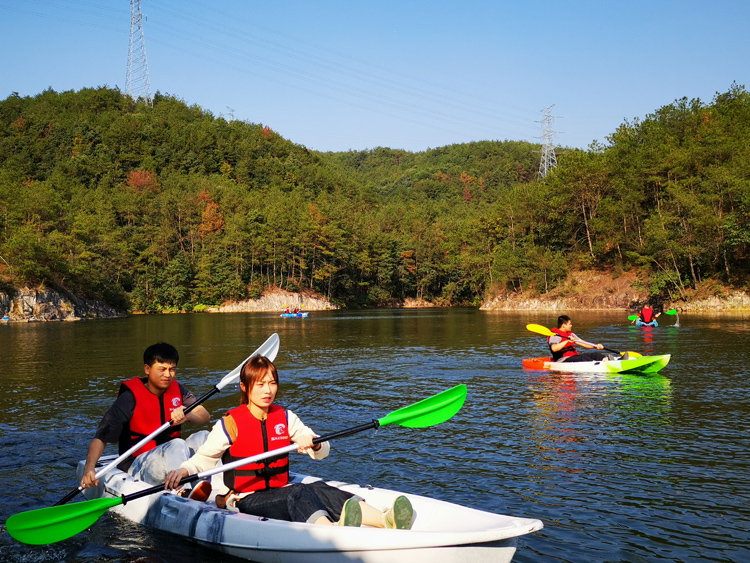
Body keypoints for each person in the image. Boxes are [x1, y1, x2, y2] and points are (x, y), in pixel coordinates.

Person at [164, 355, 413, 529]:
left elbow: (323, 450)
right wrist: (183, 470)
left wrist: (313, 443)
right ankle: (332, 532)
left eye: (272, 383)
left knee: (321, 488)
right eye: (260, 384)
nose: (268, 390)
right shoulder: (231, 422)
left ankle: (385, 520)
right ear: (245, 387)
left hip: (278, 489)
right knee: (299, 492)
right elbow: (204, 458)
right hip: (246, 499)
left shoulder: (285, 416)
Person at [80, 342, 211, 489]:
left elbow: (205, 416)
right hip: (138, 465)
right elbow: (101, 437)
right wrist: (89, 468)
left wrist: (188, 415)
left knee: (204, 437)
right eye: (162, 369)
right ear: (147, 369)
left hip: (173, 458)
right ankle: (183, 492)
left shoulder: (178, 390)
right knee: (177, 444)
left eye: (172, 369)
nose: (168, 375)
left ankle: (205, 486)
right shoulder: (129, 398)